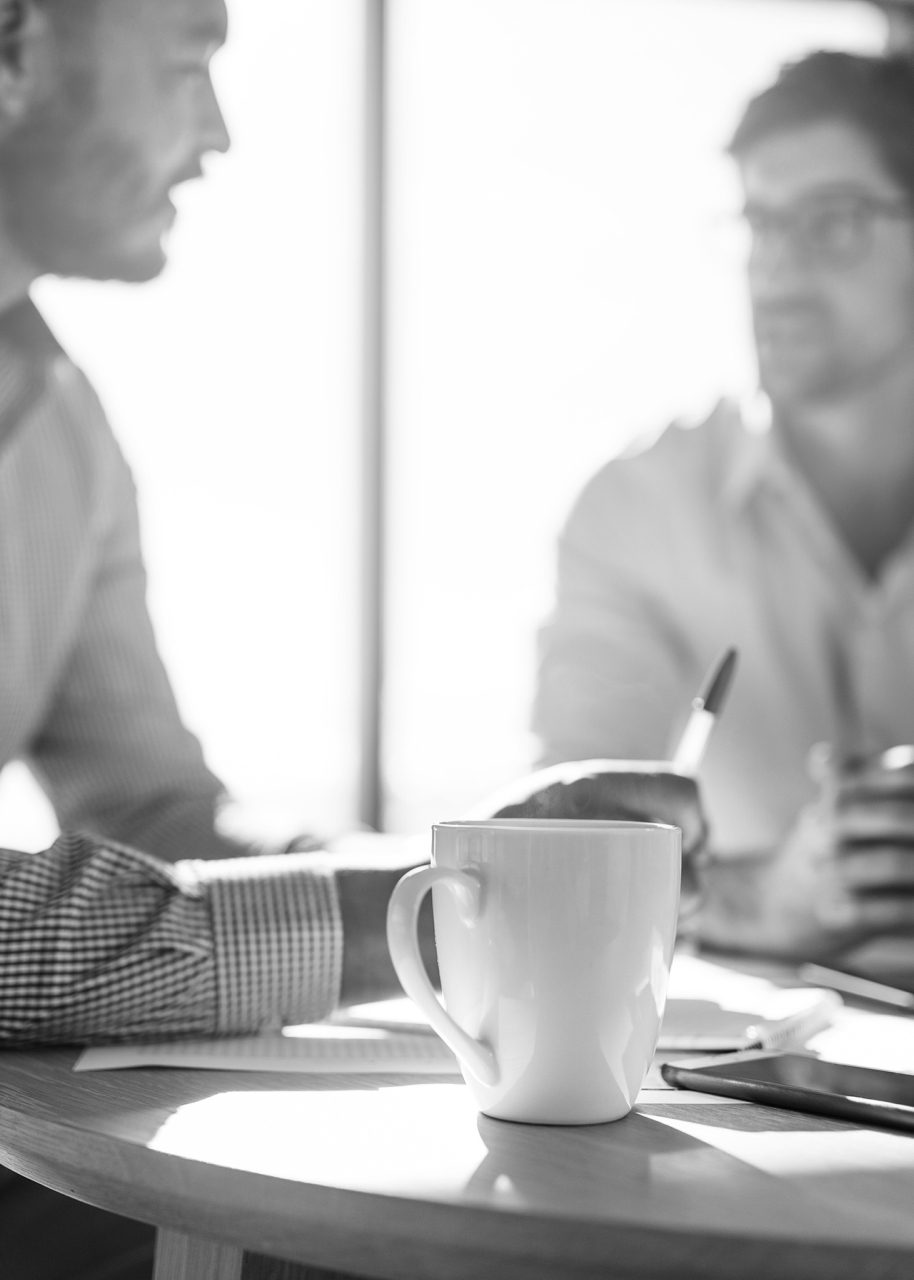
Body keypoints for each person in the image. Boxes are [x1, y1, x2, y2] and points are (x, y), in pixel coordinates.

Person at [0, 3, 705, 1278]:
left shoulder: (62, 433)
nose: (215, 131)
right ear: (16, 46)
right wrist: (427, 917)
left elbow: (153, 806)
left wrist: (475, 859)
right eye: (184, 61)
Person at [535, 48, 914, 972]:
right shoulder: (637, 512)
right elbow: (554, 854)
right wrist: (766, 898)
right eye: (759, 222)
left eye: (830, 224)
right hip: (751, 1083)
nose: (776, 266)